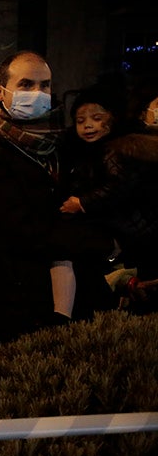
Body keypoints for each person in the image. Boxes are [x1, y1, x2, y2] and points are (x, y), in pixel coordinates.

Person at [0, 51, 113, 346]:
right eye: (26, 84)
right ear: (1, 93)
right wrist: (98, 241)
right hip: (18, 297)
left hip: (73, 292)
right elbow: (19, 231)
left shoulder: (59, 143)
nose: (37, 93)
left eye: (45, 85)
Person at [59, 87, 158, 306]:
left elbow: (119, 186)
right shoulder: (89, 151)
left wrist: (81, 203)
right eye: (80, 120)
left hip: (129, 233)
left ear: (112, 119)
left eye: (96, 118)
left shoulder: (116, 149)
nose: (88, 125)